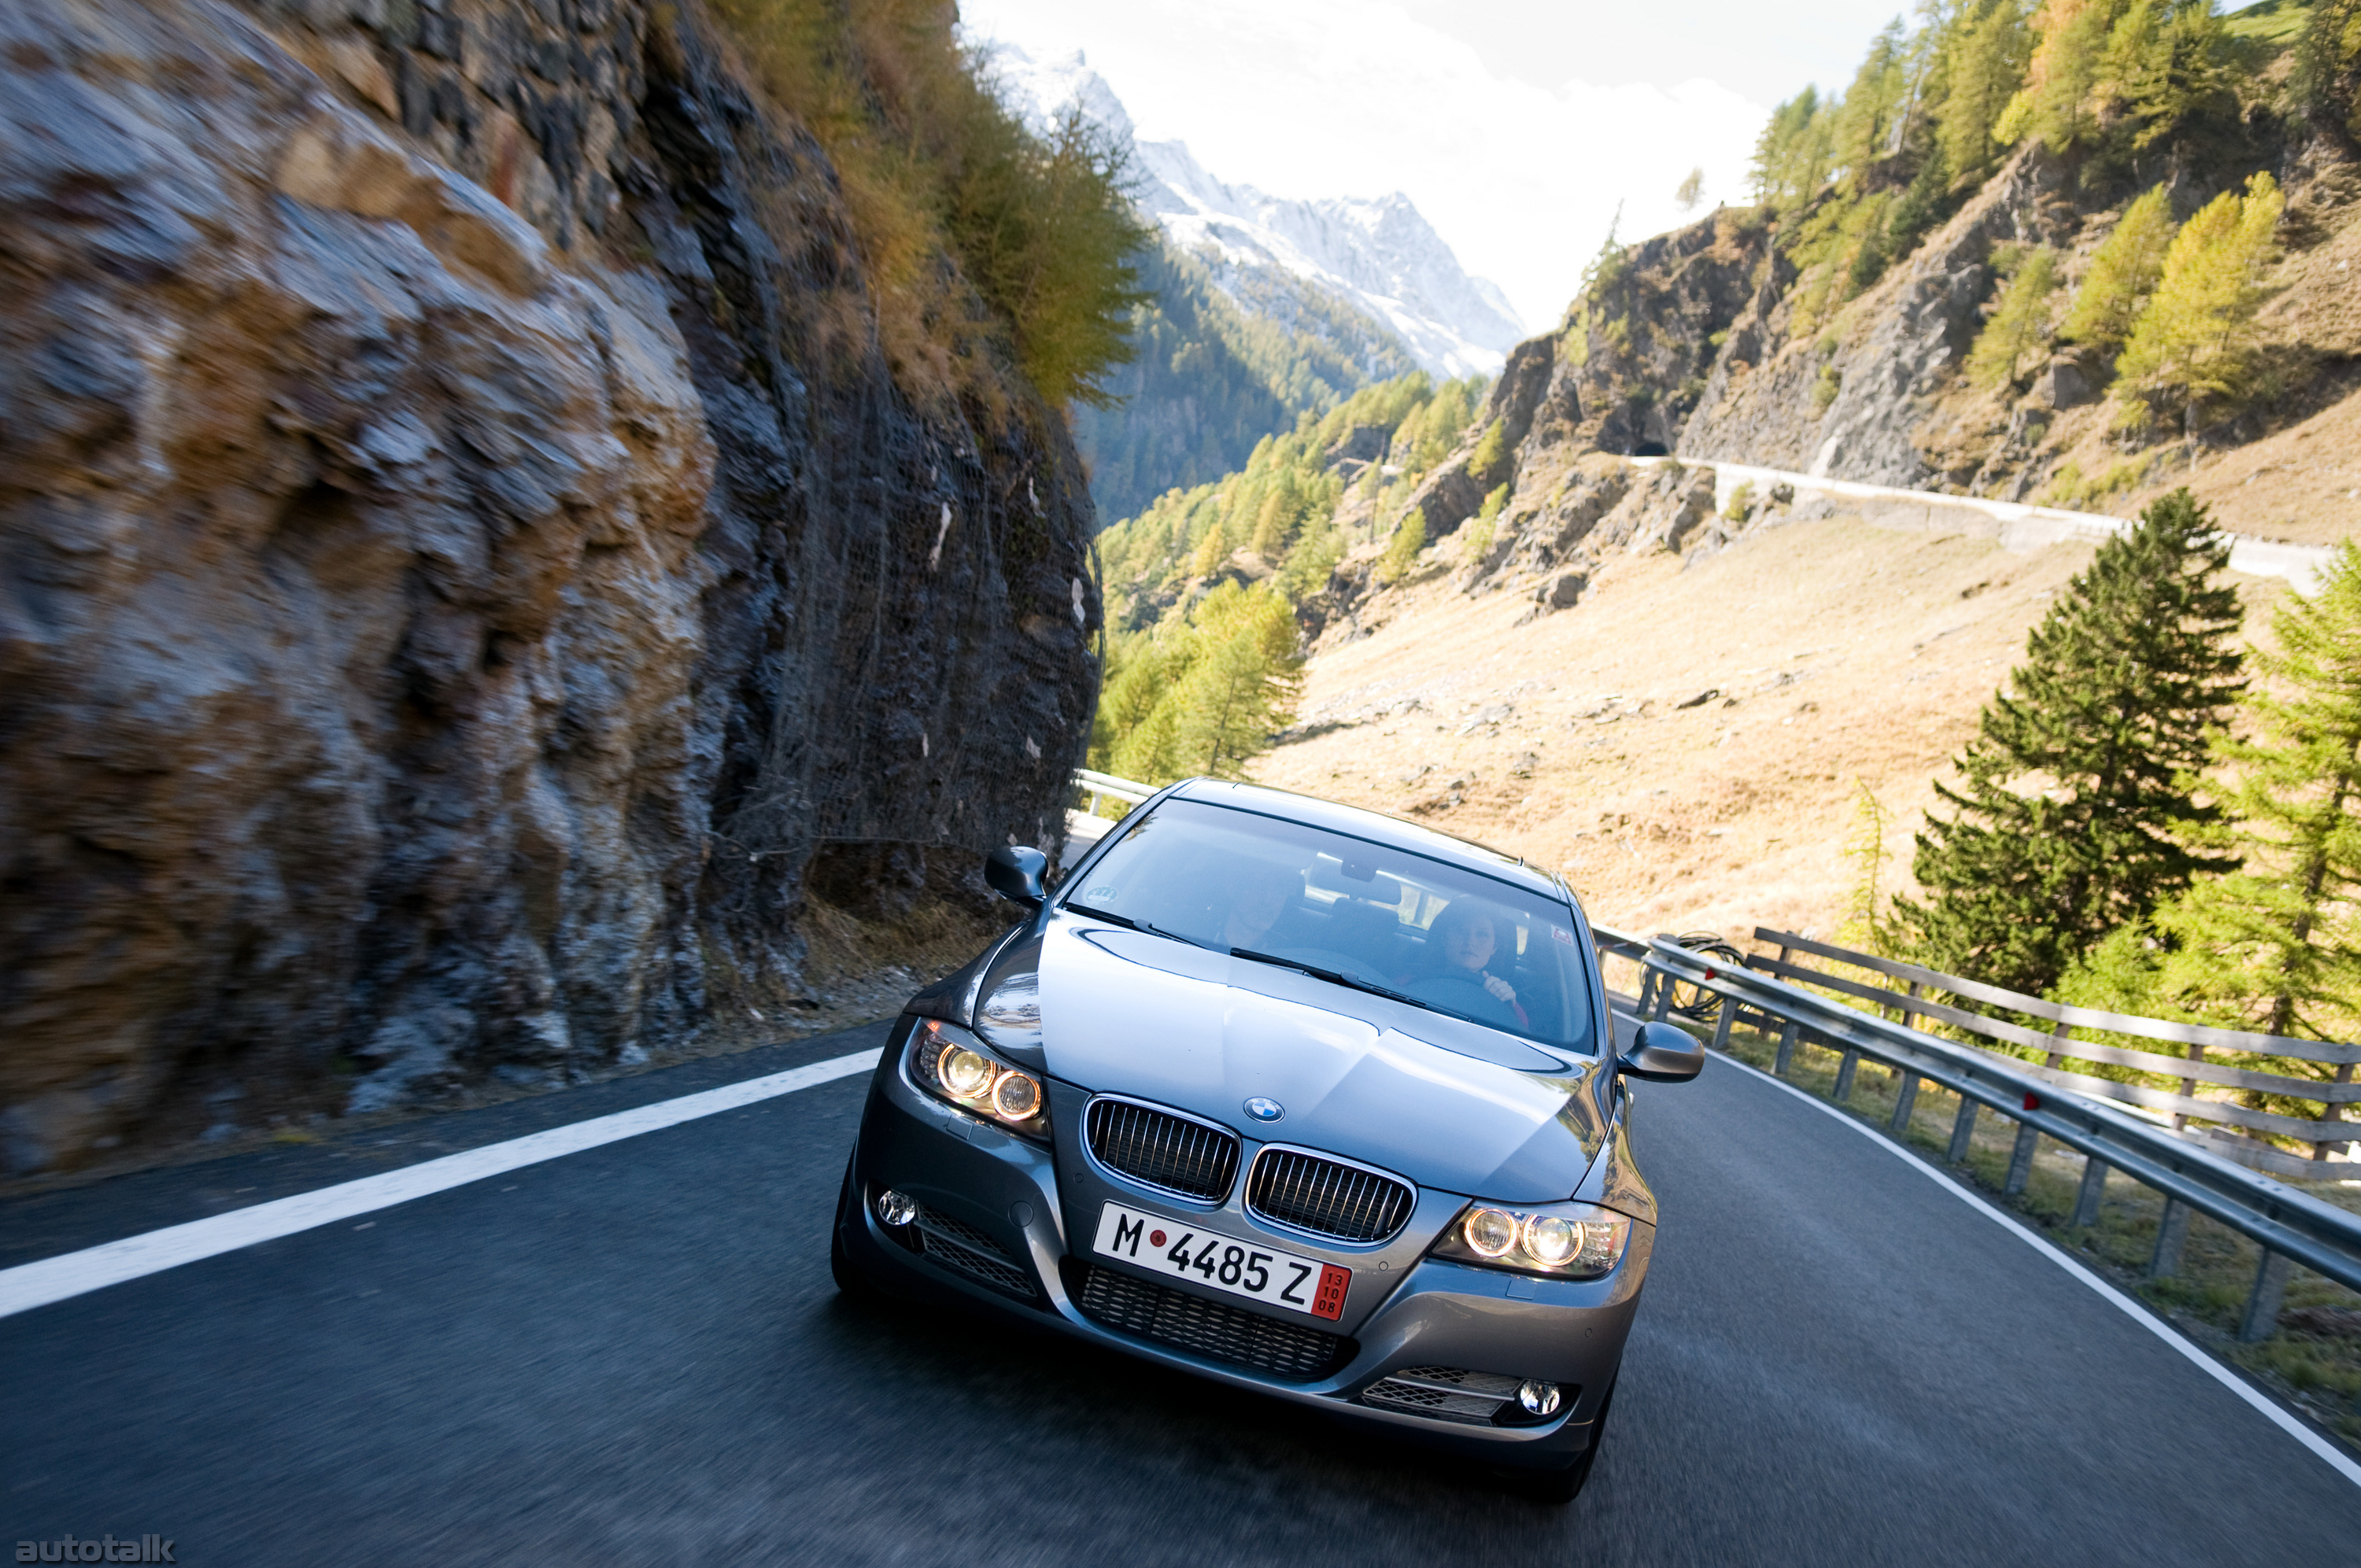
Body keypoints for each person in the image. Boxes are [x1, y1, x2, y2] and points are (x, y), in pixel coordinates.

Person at [1415, 899, 1529, 1029]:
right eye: (1460, 931)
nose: (1470, 941)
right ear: (1444, 938)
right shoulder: (1412, 981)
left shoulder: (1505, 999)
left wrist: (1509, 1006)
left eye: (1482, 934)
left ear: (1494, 947)